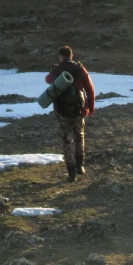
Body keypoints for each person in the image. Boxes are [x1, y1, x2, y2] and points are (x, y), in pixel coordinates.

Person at [45, 46, 95, 182]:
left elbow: (48, 80)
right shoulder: (80, 69)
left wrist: (55, 69)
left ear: (61, 56)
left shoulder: (56, 70)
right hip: (79, 109)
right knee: (79, 136)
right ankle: (80, 165)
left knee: (67, 140)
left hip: (61, 111)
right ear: (71, 55)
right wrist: (90, 107)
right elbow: (90, 89)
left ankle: (71, 171)